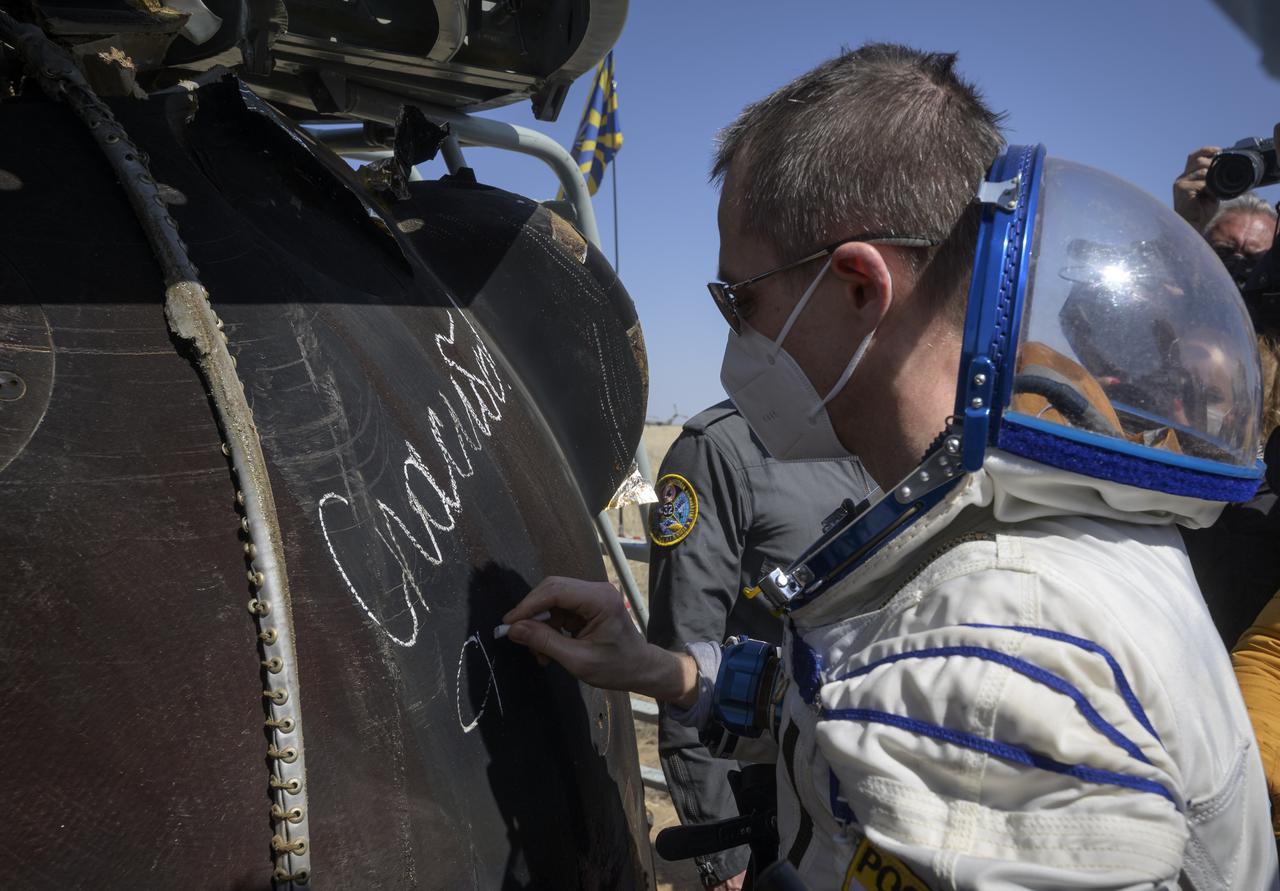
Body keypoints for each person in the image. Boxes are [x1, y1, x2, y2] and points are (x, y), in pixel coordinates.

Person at [503, 44, 1279, 888]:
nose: (734, 332)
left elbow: (940, 691)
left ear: (859, 288)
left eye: (740, 298)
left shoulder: (991, 641)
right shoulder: (1005, 502)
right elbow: (843, 689)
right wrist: (663, 671)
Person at [646, 402, 873, 889]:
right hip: (775, 806)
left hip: (876, 805)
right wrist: (725, 856)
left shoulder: (892, 434)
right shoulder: (719, 451)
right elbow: (684, 662)